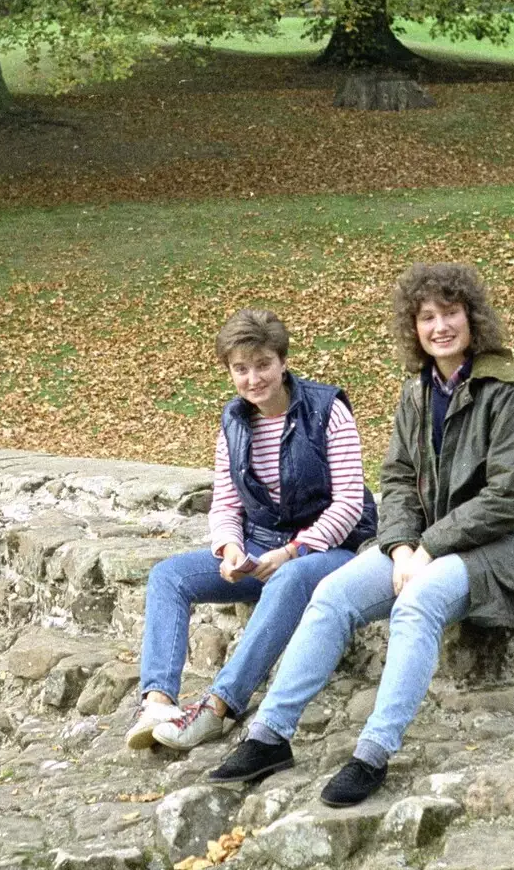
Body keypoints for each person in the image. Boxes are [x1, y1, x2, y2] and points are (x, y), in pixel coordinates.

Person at [211, 262, 514, 805]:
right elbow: (395, 480)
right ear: (413, 328)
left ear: (472, 318)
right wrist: (397, 545)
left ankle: (373, 751)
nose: (440, 327)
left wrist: (429, 548)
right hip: (421, 544)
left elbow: (509, 497)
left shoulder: (509, 391)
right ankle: (270, 735)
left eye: (450, 314)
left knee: (418, 602)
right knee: (332, 594)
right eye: (427, 317)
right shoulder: (417, 392)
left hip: (500, 547)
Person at [127, 306, 378, 753]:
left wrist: (295, 551)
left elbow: (349, 504)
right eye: (241, 369)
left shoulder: (327, 409)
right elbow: (225, 501)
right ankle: (158, 703)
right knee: (169, 576)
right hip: (260, 547)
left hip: (329, 548)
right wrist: (229, 548)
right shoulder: (234, 421)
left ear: (283, 362)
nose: (253, 379)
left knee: (289, 576)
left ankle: (219, 708)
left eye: (263, 365)